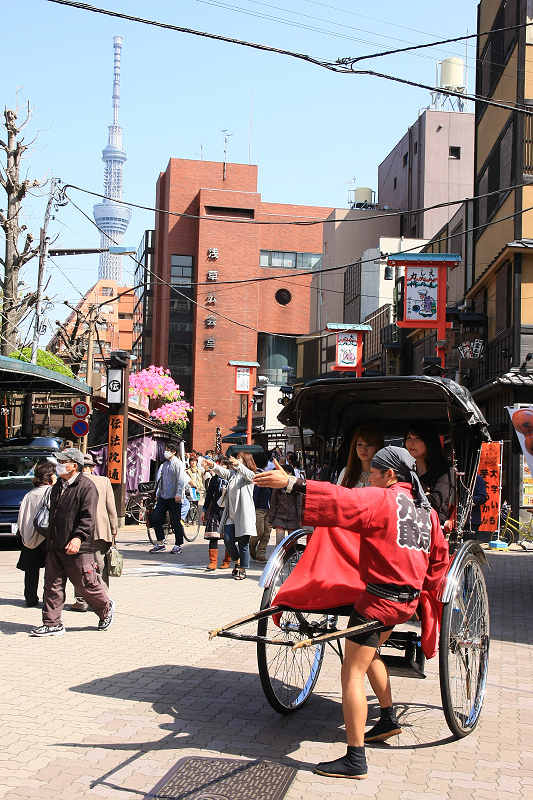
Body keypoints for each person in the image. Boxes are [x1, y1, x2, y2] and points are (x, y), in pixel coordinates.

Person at [253, 447, 448, 779]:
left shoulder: (382, 500)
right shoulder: (424, 509)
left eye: (373, 472)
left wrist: (291, 483)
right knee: (368, 655)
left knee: (350, 674)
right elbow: (439, 559)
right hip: (406, 601)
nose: (369, 477)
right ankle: (387, 719)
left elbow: (339, 499)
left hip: (377, 602)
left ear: (389, 474)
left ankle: (355, 758)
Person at [30, 448, 115, 637]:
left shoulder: (86, 487)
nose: (58, 465)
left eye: (62, 461)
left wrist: (78, 537)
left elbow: (88, 518)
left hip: (78, 547)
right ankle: (52, 623)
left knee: (86, 585)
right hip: (55, 544)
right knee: (52, 585)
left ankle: (105, 609)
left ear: (73, 465)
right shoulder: (58, 486)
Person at [70, 454, 119, 612]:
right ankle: (102, 598)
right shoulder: (104, 481)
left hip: (79, 531)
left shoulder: (74, 482)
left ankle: (81, 600)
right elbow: (111, 506)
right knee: (101, 565)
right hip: (100, 529)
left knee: (79, 566)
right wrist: (114, 528)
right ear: (93, 467)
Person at [203, 452, 257, 580]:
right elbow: (224, 472)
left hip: (244, 515)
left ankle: (242, 569)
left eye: (240, 458)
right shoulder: (234, 475)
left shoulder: (249, 475)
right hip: (230, 514)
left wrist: (239, 465)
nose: (236, 460)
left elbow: (250, 475)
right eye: (237, 458)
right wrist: (212, 466)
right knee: (228, 541)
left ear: (246, 461)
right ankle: (237, 561)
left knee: (243, 544)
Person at [17, 461, 56, 607]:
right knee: (51, 571)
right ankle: (49, 599)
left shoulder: (28, 494)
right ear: (50, 477)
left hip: (28, 538)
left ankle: (30, 598)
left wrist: (24, 536)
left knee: (31, 571)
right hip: (45, 536)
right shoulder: (51, 492)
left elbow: (21, 518)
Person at [404, 422, 452, 528]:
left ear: (429, 442)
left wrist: (406, 495)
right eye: (409, 437)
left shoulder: (443, 469)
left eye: (417, 439)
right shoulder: (404, 468)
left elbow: (435, 500)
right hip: (406, 522)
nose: (411, 443)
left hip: (432, 525)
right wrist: (422, 495)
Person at [149, 443, 188, 554]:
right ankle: (160, 542)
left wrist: (178, 494)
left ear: (173, 452)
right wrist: (158, 493)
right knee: (156, 518)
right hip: (164, 496)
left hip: (174, 497)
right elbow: (161, 481)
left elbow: (180, 480)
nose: (165, 452)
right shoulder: (164, 465)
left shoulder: (178, 464)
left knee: (176, 520)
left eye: (168, 450)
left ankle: (178, 544)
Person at [201, 457, 232, 570]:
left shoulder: (232, 479)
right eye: (221, 464)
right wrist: (204, 510)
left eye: (225, 465)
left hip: (228, 511)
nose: (222, 467)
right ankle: (213, 562)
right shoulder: (214, 479)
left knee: (228, 538)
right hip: (215, 510)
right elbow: (209, 496)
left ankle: (227, 561)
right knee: (213, 537)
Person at [268, 464, 302, 545]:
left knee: (292, 541)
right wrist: (270, 519)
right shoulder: (277, 486)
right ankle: (280, 557)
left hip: (293, 517)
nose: (286, 475)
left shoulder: (297, 487)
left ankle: (293, 556)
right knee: (279, 540)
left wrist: (301, 519)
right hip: (280, 516)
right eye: (284, 472)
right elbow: (273, 503)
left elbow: (299, 505)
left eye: (288, 472)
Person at [249, 451, 272, 563]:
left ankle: (261, 553)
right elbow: (255, 493)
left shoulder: (264, 474)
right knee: (259, 532)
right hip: (258, 508)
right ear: (266, 463)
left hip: (267, 508)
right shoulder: (259, 475)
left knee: (267, 532)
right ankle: (251, 547)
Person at [465, 474, 488, 540]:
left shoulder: (478, 479)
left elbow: (482, 497)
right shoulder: (453, 476)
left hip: (472, 519)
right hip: (453, 519)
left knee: (469, 543)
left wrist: (469, 499)